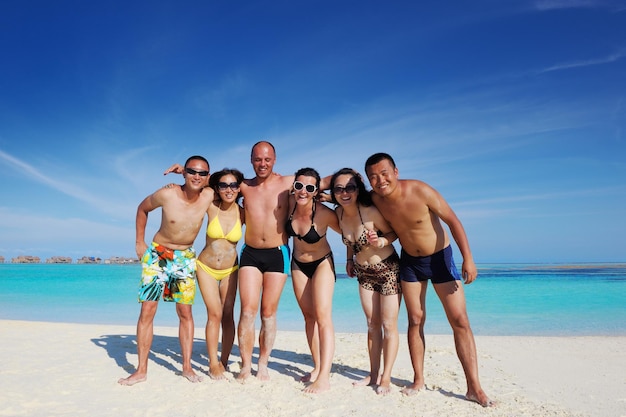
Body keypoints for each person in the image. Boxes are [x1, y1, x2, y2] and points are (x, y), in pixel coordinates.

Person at [166, 141, 330, 381]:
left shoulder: (288, 183)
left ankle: (262, 363)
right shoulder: (243, 186)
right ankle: (245, 364)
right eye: (257, 159)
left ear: (274, 159)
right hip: (251, 253)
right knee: (247, 311)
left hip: (278, 252)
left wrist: (348, 181)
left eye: (267, 159)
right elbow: (218, 182)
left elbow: (321, 182)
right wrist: (185, 173)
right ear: (251, 160)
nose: (262, 164)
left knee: (268, 312)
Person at [364, 152, 494, 407]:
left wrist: (468, 258)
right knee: (415, 319)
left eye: (384, 174)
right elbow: (344, 186)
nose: (380, 181)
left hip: (440, 259)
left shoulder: (420, 190)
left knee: (459, 321)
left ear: (396, 172)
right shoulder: (376, 199)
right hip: (410, 262)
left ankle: (473, 387)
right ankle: (419, 379)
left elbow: (453, 221)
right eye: (373, 177)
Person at [118, 155, 214, 386]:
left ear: (208, 176)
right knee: (148, 310)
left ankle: (187, 368)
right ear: (184, 174)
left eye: (202, 173)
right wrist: (139, 243)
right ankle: (141, 370)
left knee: (185, 313)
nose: (197, 176)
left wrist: (186, 170)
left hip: (185, 258)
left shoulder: (210, 194)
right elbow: (142, 209)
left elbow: (227, 182)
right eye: (192, 171)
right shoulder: (167, 194)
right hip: (159, 254)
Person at [329, 167, 401, 395]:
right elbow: (349, 241)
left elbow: (393, 234)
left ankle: (386, 377)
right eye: (339, 189)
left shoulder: (369, 211)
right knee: (372, 325)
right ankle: (373, 374)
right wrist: (350, 259)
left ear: (358, 189)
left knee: (389, 326)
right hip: (363, 272)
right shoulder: (339, 213)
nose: (345, 192)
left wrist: (380, 241)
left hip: (388, 269)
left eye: (350, 187)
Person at [286, 168, 341, 393]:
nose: (303, 191)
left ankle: (324, 377)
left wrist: (352, 258)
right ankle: (317, 367)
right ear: (294, 185)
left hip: (322, 263)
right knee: (309, 317)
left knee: (323, 317)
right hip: (298, 264)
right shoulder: (288, 204)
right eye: (299, 186)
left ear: (316, 191)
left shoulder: (325, 213)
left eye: (310, 188)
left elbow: (348, 233)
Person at [196, 168, 245, 380]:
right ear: (217, 187)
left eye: (233, 185)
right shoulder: (210, 206)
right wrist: (184, 173)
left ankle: (224, 360)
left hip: (231, 269)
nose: (229, 189)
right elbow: (196, 185)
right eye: (223, 185)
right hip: (205, 267)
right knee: (214, 313)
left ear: (239, 188)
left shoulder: (243, 212)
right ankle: (213, 363)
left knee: (228, 315)